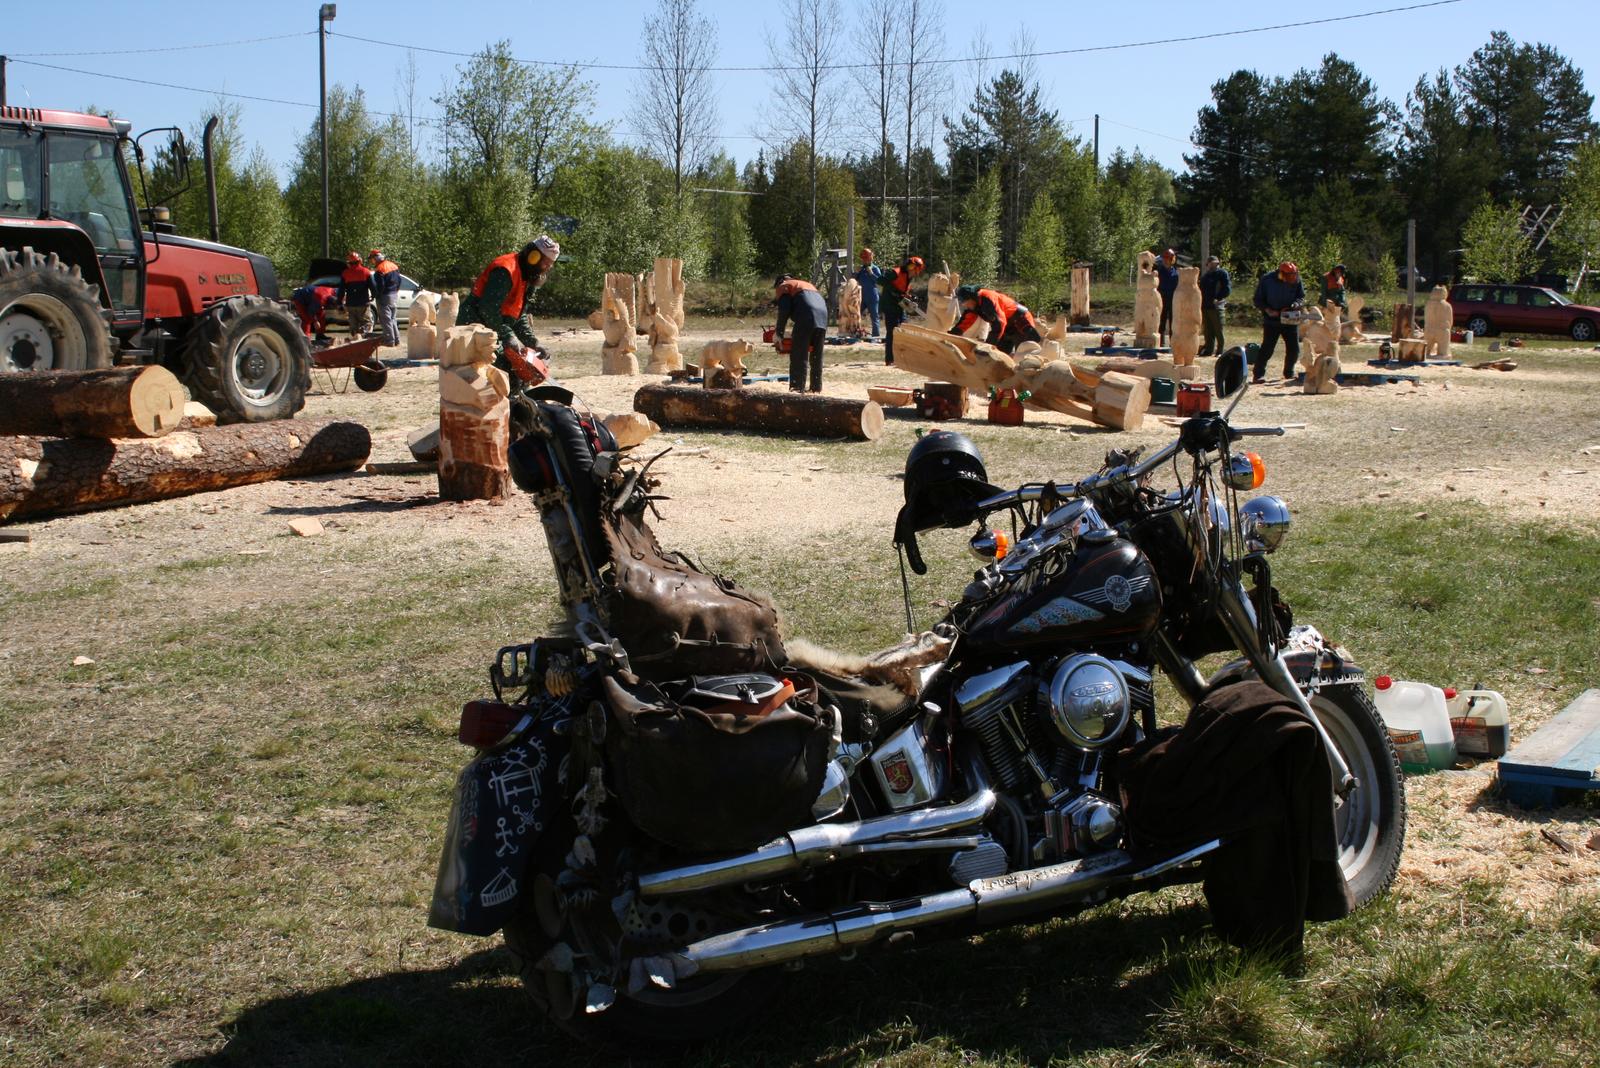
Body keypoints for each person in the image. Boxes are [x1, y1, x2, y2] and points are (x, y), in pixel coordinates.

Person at [458, 235, 561, 385]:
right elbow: (488, 309)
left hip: (492, 326)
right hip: (473, 324)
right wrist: (508, 336)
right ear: (533, 257)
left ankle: (516, 398)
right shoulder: (506, 269)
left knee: (519, 371)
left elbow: (519, 315)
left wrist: (533, 343)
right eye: (545, 263)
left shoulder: (526, 277)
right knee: (503, 371)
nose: (546, 268)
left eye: (550, 265)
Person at [1251, 261, 1306, 382]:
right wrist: (1268, 310)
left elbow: (1301, 297)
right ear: (1281, 274)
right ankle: (1258, 374)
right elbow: (1257, 299)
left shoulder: (1296, 279)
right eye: (1289, 276)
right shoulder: (1267, 280)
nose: (1292, 278)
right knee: (1267, 348)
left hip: (1290, 317)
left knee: (1294, 349)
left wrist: (1296, 304)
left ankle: (1289, 373)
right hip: (1272, 320)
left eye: (1294, 275)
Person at [773, 274, 828, 393]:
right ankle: (816, 388)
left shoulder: (784, 286)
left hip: (806, 317)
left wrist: (779, 333)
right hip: (823, 318)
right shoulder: (807, 285)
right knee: (816, 356)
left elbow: (784, 311)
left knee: (799, 355)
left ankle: (797, 389)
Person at [950, 285, 1042, 354]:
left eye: (964, 301)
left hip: (1021, 321)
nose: (963, 304)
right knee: (999, 355)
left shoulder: (987, 298)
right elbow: (965, 322)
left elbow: (1000, 322)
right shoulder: (974, 304)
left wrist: (987, 346)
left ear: (972, 297)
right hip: (1006, 327)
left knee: (1025, 353)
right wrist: (951, 336)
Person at [879, 255, 925, 366]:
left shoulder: (908, 277)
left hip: (899, 306)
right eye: (912, 267)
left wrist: (909, 297)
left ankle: (900, 357)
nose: (913, 270)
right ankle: (890, 359)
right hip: (890, 305)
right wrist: (893, 291)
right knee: (892, 332)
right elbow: (880, 280)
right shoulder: (895, 272)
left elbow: (902, 290)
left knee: (902, 330)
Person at [367, 248, 402, 347]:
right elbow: (399, 280)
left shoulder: (380, 269)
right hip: (394, 294)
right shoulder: (393, 265)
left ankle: (389, 340)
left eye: (371, 259)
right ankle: (397, 339)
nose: (371, 261)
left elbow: (380, 285)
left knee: (385, 319)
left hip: (384, 296)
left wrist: (376, 295)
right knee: (392, 318)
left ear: (375, 258)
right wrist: (395, 290)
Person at [1199, 255, 1232, 358]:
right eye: (1211, 263)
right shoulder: (1205, 276)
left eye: (1215, 263)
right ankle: (1209, 350)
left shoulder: (1222, 273)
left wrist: (1218, 298)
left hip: (1217, 306)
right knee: (1208, 330)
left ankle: (1220, 350)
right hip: (1205, 306)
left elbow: (1227, 289)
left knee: (1218, 329)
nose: (1213, 265)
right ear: (1208, 264)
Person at [336, 252, 373, 337]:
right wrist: (374, 296)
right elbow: (373, 287)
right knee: (366, 323)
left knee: (353, 325)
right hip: (363, 303)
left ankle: (355, 340)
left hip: (351, 304)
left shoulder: (345, 273)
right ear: (360, 261)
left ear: (349, 262)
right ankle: (365, 340)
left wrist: (339, 303)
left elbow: (341, 290)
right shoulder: (366, 272)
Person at [854, 248, 883, 338]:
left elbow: (879, 281)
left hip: (872, 296)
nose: (864, 261)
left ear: (870, 258)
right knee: (856, 315)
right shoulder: (861, 269)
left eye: (866, 258)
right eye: (863, 259)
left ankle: (876, 336)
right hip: (861, 296)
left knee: (874, 317)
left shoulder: (875, 268)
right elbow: (854, 280)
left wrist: (871, 274)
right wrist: (856, 273)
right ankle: (856, 332)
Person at [1154, 248, 1179, 347]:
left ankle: (1173, 343)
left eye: (1169, 258)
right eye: (1165, 258)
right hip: (1161, 299)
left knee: (1173, 322)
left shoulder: (1176, 272)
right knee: (1161, 321)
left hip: (1173, 299)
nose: (1166, 260)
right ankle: (1161, 343)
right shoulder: (1158, 271)